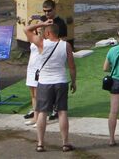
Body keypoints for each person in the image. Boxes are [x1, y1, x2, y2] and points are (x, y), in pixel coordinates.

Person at [27, 12, 76, 152]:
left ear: (48, 32)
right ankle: (65, 143)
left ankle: (40, 143)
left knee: (42, 112)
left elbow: (27, 30)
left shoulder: (42, 44)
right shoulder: (66, 45)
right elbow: (72, 66)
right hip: (60, 81)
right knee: (62, 112)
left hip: (45, 82)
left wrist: (42, 23)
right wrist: (73, 82)